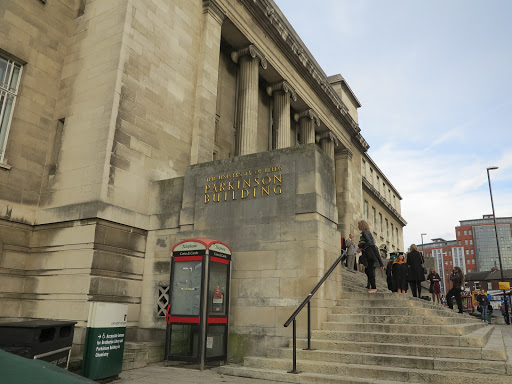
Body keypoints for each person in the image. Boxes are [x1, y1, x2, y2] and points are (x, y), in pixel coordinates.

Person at [356, 220, 384, 293]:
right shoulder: (367, 233)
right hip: (369, 253)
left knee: (370, 271)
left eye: (359, 225)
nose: (358, 226)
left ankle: (374, 287)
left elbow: (369, 243)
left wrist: (361, 247)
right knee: (368, 270)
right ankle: (371, 286)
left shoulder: (365, 233)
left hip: (369, 254)